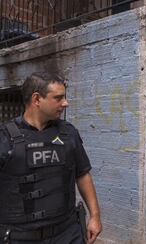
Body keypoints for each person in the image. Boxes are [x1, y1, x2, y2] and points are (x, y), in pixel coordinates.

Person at [0, 72, 102, 244]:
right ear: (37, 99)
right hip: (20, 237)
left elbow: (83, 174)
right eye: (58, 98)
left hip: (67, 234)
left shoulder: (68, 133)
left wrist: (95, 216)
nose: (65, 103)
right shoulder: (4, 138)